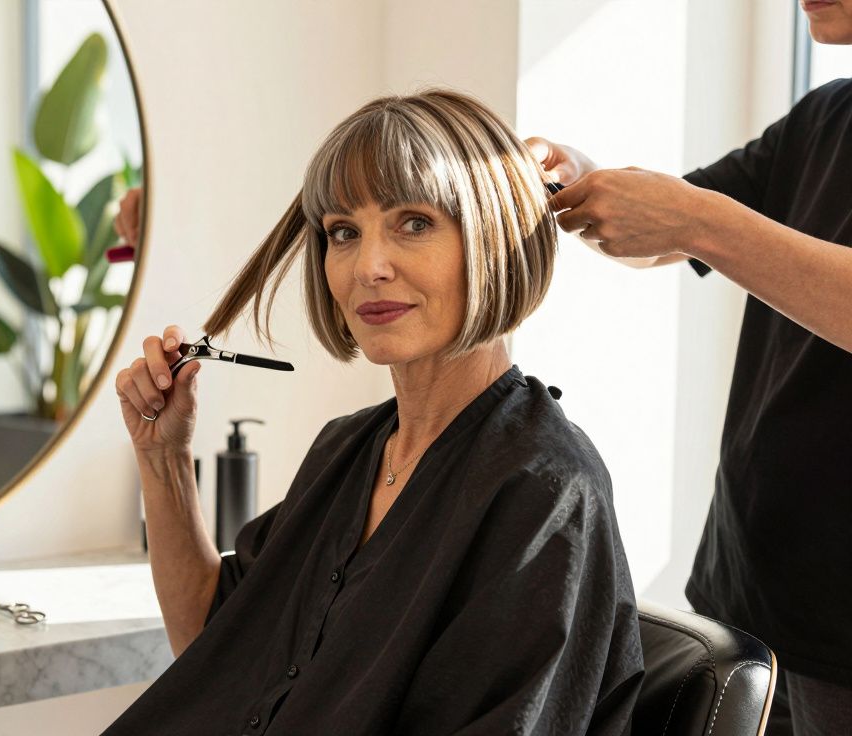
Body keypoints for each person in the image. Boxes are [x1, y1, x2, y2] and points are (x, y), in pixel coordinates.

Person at [108, 90, 643, 734]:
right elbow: (214, 646)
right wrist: (162, 458)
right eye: (344, 232)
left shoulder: (544, 491)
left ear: (491, 239)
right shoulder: (347, 451)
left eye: (414, 222)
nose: (369, 266)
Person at [527, 3, 852, 731]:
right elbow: (665, 238)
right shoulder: (824, 116)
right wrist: (587, 184)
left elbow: (699, 226)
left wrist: (697, 220)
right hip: (752, 584)